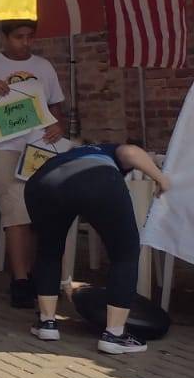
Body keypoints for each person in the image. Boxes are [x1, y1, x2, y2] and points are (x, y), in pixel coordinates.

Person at [0, 20, 68, 309]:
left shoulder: (44, 67)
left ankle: (37, 274)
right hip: (3, 148)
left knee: (39, 212)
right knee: (15, 211)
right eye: (19, 37)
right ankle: (20, 280)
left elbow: (56, 107)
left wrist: (58, 125)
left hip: (38, 148)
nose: (25, 42)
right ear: (4, 37)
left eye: (30, 37)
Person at [26, 142, 172, 354]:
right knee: (125, 253)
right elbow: (130, 152)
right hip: (97, 178)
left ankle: (46, 323)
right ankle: (115, 335)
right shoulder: (109, 150)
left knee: (49, 251)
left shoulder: (72, 154)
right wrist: (160, 178)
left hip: (42, 182)